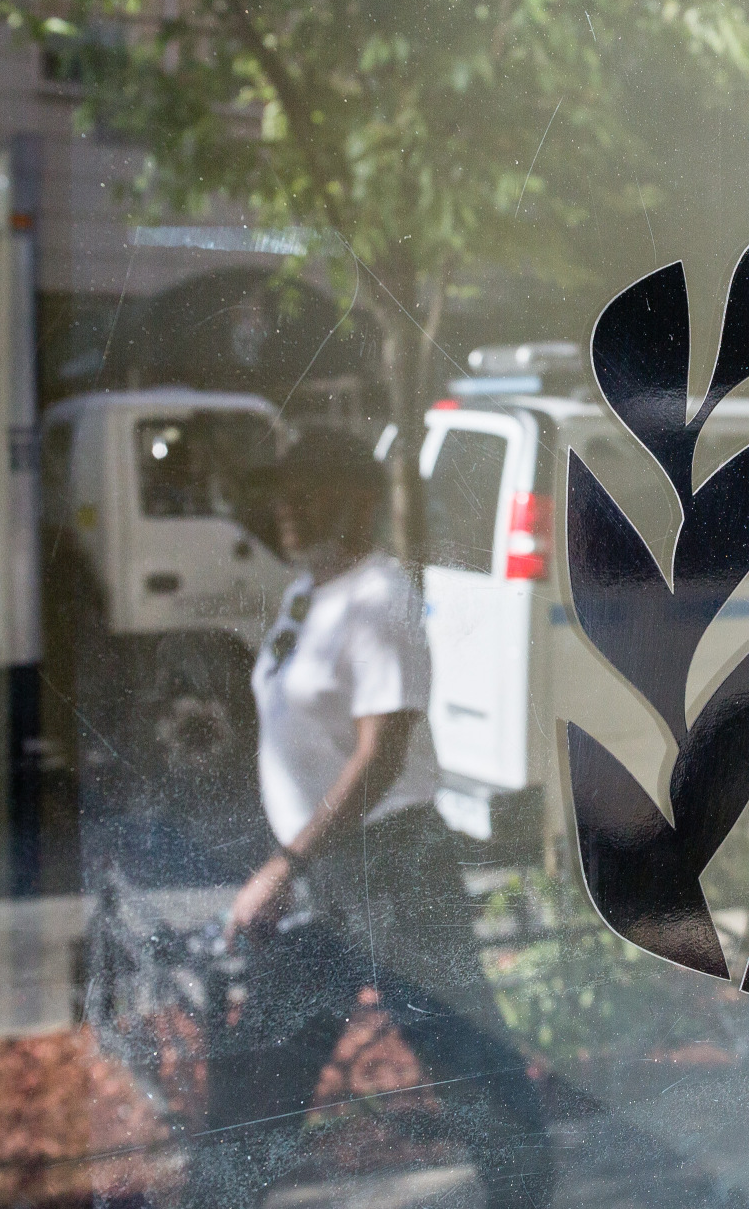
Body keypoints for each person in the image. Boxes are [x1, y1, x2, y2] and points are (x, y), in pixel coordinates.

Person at [187, 427, 553, 1207]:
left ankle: (526, 1191)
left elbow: (380, 755)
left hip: (390, 865)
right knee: (270, 1063)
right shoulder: (308, 591)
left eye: (307, 489)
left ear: (356, 500)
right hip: (328, 869)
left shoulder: (380, 596)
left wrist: (286, 865)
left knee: (460, 1052)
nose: (286, 507)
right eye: (281, 491)